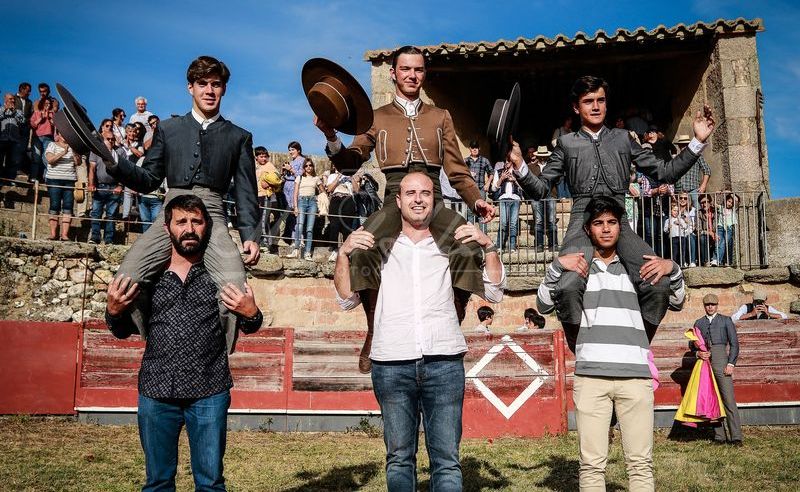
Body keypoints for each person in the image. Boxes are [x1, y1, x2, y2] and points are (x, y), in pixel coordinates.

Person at [315, 45, 495, 371]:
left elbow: (456, 168)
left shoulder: (441, 116)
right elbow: (349, 162)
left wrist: (476, 198)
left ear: (424, 75)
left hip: (433, 196)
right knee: (363, 249)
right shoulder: (377, 117)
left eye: (419, 70)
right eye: (406, 69)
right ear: (393, 74)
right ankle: (373, 328)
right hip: (394, 195)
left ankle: (453, 321)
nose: (412, 75)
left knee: (468, 248)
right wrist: (331, 137)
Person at [333, 172, 505, 490]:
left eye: (425, 193)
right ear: (398, 201)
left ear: (433, 200)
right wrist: (343, 254)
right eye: (410, 192)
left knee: (447, 462)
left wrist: (489, 245)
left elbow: (494, 292)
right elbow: (346, 299)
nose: (417, 199)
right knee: (399, 458)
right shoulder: (375, 245)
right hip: (391, 361)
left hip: (443, 360)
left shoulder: (453, 244)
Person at [511, 75, 713, 338]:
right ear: (576, 107)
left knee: (658, 283)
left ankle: (641, 343)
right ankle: (578, 346)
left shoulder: (623, 138)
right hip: (581, 223)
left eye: (600, 100)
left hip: (620, 222)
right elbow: (540, 190)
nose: (595, 107)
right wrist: (519, 165)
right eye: (588, 101)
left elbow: (664, 172)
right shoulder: (566, 144)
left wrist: (697, 141)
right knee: (569, 285)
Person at [105, 194, 263, 491]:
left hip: (209, 391)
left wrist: (252, 313)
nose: (189, 229)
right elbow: (122, 330)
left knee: (210, 484)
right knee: (158, 483)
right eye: (181, 222)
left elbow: (251, 323)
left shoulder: (220, 275)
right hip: (156, 391)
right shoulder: (149, 277)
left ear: (207, 227)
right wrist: (113, 313)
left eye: (196, 222)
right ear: (167, 228)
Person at [100, 55, 261, 346]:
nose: (209, 90)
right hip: (170, 212)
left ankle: (214, 354)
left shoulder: (239, 136)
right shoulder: (168, 129)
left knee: (236, 288)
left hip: (212, 213)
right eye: (202, 84)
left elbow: (246, 191)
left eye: (216, 84)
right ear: (190, 88)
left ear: (224, 89)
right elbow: (148, 178)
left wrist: (250, 234)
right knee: (126, 278)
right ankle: (154, 341)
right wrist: (114, 162)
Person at [538, 196, 686, 490]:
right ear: (589, 229)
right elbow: (543, 305)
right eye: (598, 223)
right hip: (591, 376)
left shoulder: (637, 271)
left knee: (641, 465)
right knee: (592, 466)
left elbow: (678, 300)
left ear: (621, 227)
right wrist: (556, 267)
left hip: (635, 376)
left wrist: (673, 268)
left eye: (612, 223)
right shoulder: (577, 271)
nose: (606, 229)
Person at [691, 293, 742, 445]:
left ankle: (736, 436)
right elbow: (691, 345)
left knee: (729, 400)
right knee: (712, 399)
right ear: (704, 306)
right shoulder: (698, 323)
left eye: (713, 304)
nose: (710, 307)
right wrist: (698, 353)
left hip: (721, 361)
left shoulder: (726, 320)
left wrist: (731, 364)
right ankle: (719, 436)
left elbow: (734, 344)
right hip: (705, 364)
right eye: (707, 305)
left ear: (717, 305)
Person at [88, 120, 124, 244]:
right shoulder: (96, 151)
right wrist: (91, 184)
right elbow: (92, 169)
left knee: (111, 215)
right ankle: (95, 237)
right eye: (108, 139)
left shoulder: (120, 152)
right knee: (96, 213)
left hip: (114, 187)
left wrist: (120, 185)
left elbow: (123, 171)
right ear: (103, 139)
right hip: (100, 186)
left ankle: (109, 239)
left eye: (112, 139)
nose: (111, 141)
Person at [44, 131, 80, 240]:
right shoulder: (52, 145)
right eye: (63, 134)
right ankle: (53, 234)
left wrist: (73, 152)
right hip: (54, 179)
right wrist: (63, 153)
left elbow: (78, 163)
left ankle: (64, 235)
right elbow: (50, 160)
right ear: (59, 135)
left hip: (69, 180)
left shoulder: (73, 148)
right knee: (54, 205)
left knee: (68, 207)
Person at [289, 158, 323, 260]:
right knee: (299, 226)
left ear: (313, 167)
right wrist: (295, 207)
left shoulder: (316, 178)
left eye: (310, 165)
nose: (308, 167)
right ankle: (296, 250)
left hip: (312, 203)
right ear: (304, 167)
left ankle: (307, 253)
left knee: (309, 229)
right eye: (306, 166)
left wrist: (319, 200)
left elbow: (323, 192)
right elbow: (295, 194)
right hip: (301, 202)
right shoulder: (299, 177)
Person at [323, 162, 356, 262]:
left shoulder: (350, 177)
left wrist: (352, 178)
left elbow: (357, 190)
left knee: (347, 226)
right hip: (336, 199)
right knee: (334, 224)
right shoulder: (332, 176)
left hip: (348, 199)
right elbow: (329, 189)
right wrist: (339, 177)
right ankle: (334, 250)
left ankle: (346, 252)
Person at [530, 145, 559, 252]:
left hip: (550, 194)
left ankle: (554, 244)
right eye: (540, 156)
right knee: (538, 221)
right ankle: (539, 245)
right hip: (536, 196)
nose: (542, 158)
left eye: (544, 156)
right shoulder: (531, 167)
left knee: (551, 220)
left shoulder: (552, 167)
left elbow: (558, 180)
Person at [254, 146, 282, 250]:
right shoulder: (256, 167)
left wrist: (270, 185)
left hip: (266, 195)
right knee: (259, 219)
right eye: (261, 157)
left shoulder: (269, 166)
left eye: (265, 156)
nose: (264, 159)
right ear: (256, 157)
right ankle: (261, 240)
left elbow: (278, 180)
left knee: (264, 219)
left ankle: (266, 243)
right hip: (257, 195)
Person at [492, 158, 521, 254]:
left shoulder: (517, 173)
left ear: (512, 162)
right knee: (503, 223)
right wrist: (502, 178)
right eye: (505, 161)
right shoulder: (499, 172)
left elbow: (524, 187)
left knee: (513, 224)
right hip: (503, 199)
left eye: (508, 161)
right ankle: (500, 246)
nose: (506, 163)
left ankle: (512, 246)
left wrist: (515, 180)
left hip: (515, 199)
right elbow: (494, 188)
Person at [465, 140, 493, 232]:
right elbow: (461, 174)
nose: (474, 149)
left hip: (481, 189)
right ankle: (471, 235)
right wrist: (469, 174)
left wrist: (488, 183)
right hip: (470, 190)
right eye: (473, 148)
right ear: (470, 149)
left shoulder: (484, 160)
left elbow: (491, 172)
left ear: (479, 148)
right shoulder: (465, 161)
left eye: (476, 148)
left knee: (482, 212)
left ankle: (483, 236)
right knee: (470, 212)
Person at [29, 96, 56, 182]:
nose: (47, 105)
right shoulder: (36, 113)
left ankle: (46, 178)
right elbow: (32, 125)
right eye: (46, 104)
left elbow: (56, 126)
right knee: (36, 158)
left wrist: (50, 118)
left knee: (46, 158)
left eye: (49, 104)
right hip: (37, 137)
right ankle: (33, 177)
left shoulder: (52, 114)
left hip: (48, 138)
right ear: (42, 104)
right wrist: (40, 119)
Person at [1, 93, 26, 182]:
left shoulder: (18, 111)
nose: (13, 101)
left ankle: (10, 180)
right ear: (5, 99)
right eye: (11, 99)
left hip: (14, 140)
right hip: (2, 139)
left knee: (12, 161)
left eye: (13, 99)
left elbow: (23, 121)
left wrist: (14, 111)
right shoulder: (0, 109)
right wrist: (5, 110)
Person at [716, 192, 738, 266]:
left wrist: (729, 192)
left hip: (729, 227)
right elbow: (714, 203)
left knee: (725, 242)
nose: (730, 204)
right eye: (728, 201)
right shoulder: (721, 207)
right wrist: (718, 193)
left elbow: (737, 199)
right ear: (725, 200)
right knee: (720, 243)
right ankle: (717, 260)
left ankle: (725, 261)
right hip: (720, 227)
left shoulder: (733, 209)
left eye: (731, 203)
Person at [696, 194, 718, 266]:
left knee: (723, 236)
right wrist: (709, 233)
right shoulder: (699, 213)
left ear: (710, 202)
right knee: (702, 238)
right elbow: (698, 229)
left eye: (706, 202)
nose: (704, 204)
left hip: (716, 233)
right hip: (705, 235)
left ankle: (717, 260)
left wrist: (715, 233)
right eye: (702, 203)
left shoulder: (715, 212)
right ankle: (706, 261)